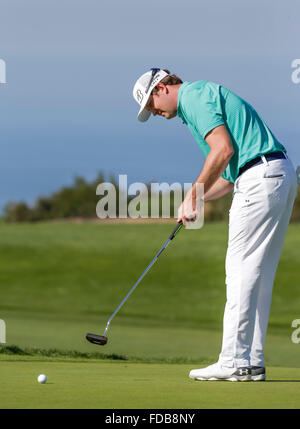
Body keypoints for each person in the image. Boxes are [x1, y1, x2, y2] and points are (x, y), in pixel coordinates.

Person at [133, 68, 298, 382]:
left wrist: (193, 194)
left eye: (151, 105)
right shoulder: (200, 99)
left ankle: (234, 360)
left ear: (162, 87)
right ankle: (250, 361)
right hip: (276, 173)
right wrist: (201, 200)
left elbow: (223, 150)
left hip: (260, 178)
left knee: (240, 270)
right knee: (258, 274)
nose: (153, 112)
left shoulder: (194, 96)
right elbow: (228, 173)